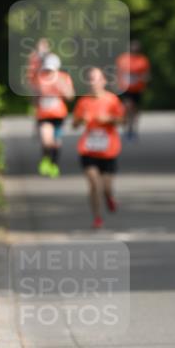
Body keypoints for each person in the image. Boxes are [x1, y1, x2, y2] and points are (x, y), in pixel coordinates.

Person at [73, 67, 125, 229]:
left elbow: (122, 121)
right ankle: (97, 217)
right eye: (90, 79)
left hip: (108, 150)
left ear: (103, 81)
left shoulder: (112, 100)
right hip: (88, 150)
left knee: (106, 187)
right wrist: (81, 119)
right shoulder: (83, 101)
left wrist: (108, 119)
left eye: (96, 78)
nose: (93, 82)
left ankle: (109, 197)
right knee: (94, 184)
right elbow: (74, 124)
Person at [30, 52, 75, 177]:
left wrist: (62, 86)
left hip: (59, 114)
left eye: (51, 68)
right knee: (46, 140)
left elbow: (70, 97)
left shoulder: (63, 77)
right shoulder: (40, 78)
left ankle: (54, 165)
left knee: (56, 142)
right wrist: (35, 106)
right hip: (44, 114)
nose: (49, 71)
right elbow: (35, 96)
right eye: (47, 68)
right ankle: (45, 159)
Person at [115, 39, 150, 139]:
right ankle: (126, 128)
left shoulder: (143, 60)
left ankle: (132, 128)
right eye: (132, 48)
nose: (134, 50)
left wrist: (144, 80)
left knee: (135, 110)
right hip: (125, 88)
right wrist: (117, 83)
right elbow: (117, 72)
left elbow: (146, 74)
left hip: (137, 89)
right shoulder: (122, 59)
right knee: (127, 107)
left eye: (136, 49)